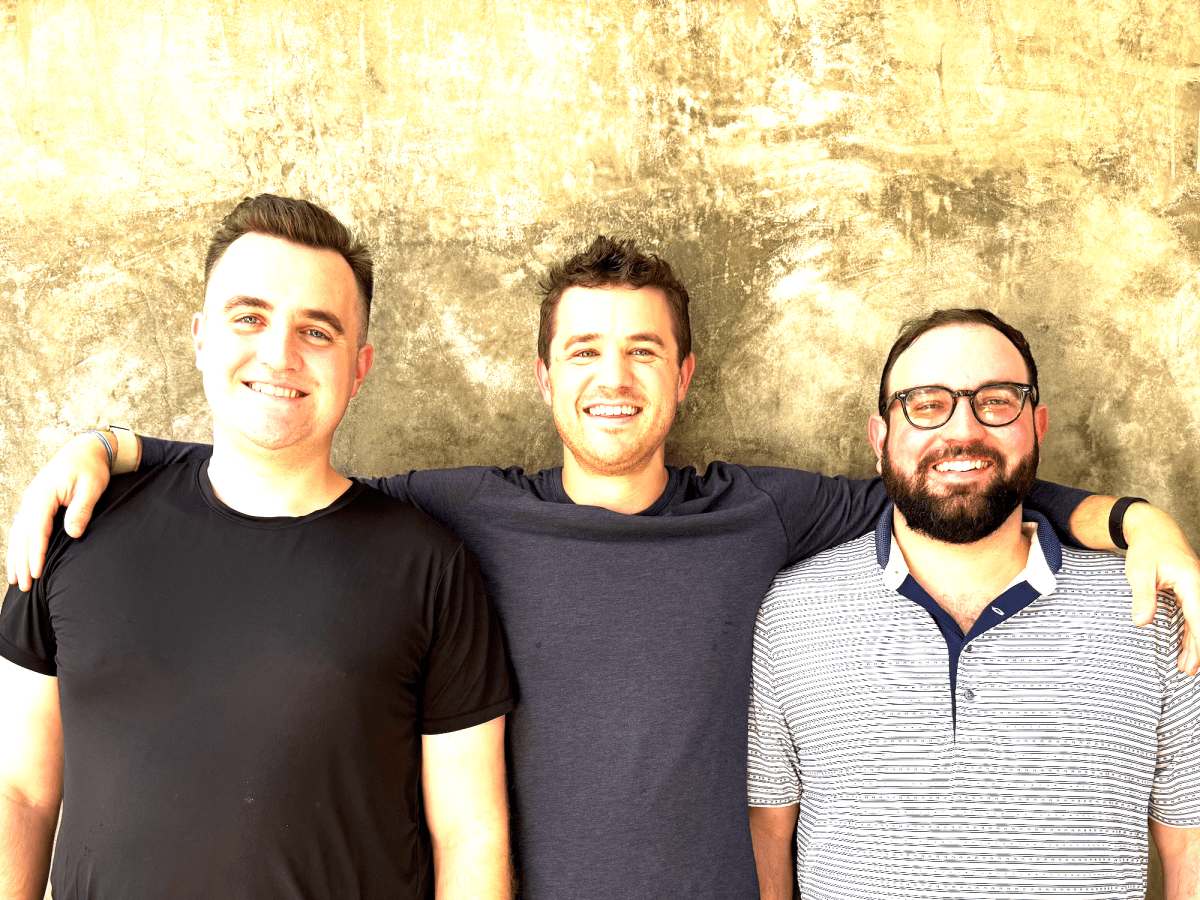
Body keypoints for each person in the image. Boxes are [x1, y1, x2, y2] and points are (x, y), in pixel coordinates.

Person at [6, 239, 1200, 900]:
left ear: (685, 377)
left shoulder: (759, 514)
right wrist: (120, 448)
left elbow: (952, 479)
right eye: (583, 350)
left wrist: (1133, 518)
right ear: (544, 377)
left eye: (642, 351)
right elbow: (284, 460)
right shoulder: (461, 513)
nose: (612, 378)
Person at [0, 195, 514, 900]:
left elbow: (469, 832)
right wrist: (103, 444)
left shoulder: (430, 568)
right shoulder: (74, 524)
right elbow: (19, 790)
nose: (279, 354)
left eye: (317, 331)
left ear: (359, 368)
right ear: (200, 337)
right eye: (249, 317)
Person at [746, 309, 1200, 899]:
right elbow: (768, 831)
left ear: (1037, 426)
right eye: (926, 404)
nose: (963, 430)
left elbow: (1189, 846)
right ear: (880, 439)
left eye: (997, 400)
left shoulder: (1153, 608)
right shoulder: (792, 612)